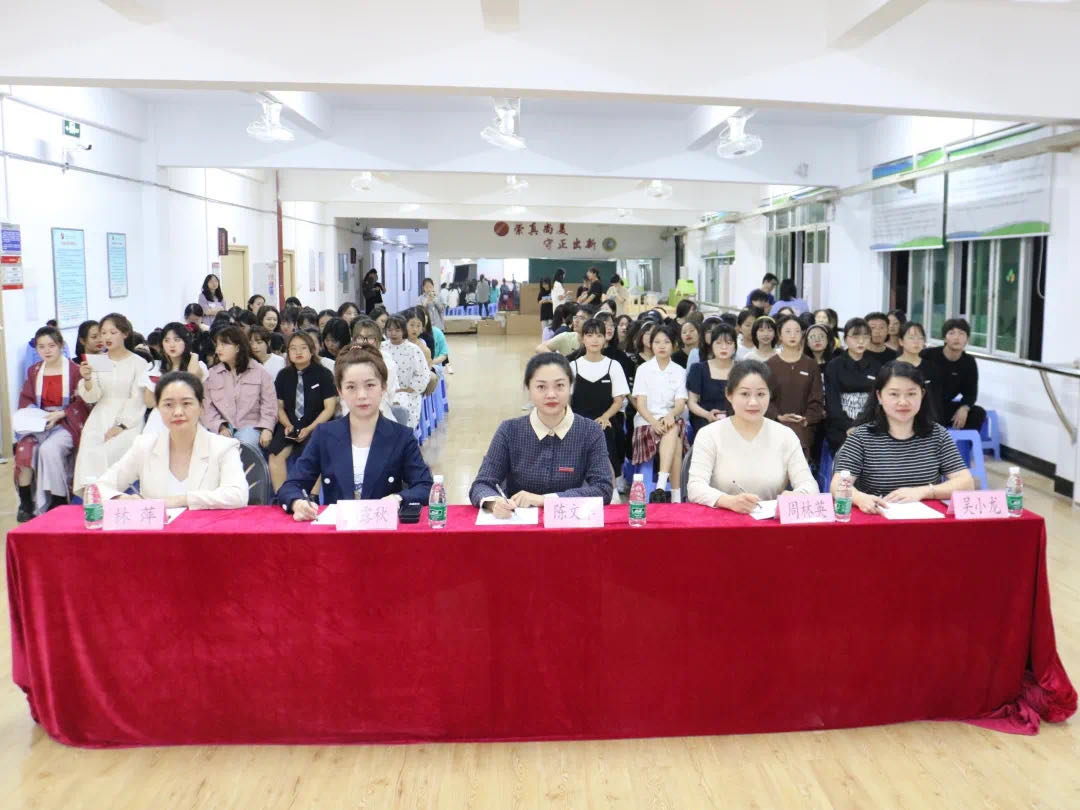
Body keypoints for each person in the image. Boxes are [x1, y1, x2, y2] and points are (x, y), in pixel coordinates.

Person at [279, 347, 433, 518]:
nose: (361, 395)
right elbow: (291, 485)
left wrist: (398, 498)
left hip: (383, 528)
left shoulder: (401, 436)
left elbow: (425, 487)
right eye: (351, 387)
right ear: (340, 391)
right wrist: (297, 502)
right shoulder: (325, 434)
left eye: (370, 385)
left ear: (383, 387)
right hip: (338, 529)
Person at [470, 353, 613, 515]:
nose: (551, 394)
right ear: (528, 389)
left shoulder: (590, 431)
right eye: (541, 387)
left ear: (571, 387)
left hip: (570, 523)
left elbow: (603, 489)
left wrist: (545, 500)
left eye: (559, 385)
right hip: (518, 523)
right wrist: (494, 503)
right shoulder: (509, 430)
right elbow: (482, 484)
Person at [830, 362, 974, 513]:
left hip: (927, 520)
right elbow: (837, 485)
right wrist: (860, 498)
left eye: (911, 394)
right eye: (894, 394)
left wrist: (924, 491)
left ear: (922, 394)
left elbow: (966, 483)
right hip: (878, 517)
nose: (903, 402)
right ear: (879, 396)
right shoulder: (861, 437)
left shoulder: (937, 434)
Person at [95, 372, 248, 509]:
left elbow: (237, 495)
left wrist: (180, 500)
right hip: (157, 531)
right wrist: (121, 499)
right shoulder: (144, 445)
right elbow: (97, 489)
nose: (178, 412)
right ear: (158, 408)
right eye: (168, 405)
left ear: (201, 407)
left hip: (206, 530)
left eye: (186, 403)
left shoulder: (223, 447)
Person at [687, 360, 818, 512]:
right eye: (744, 394)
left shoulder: (785, 435)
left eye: (761, 394)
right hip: (722, 518)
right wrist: (728, 501)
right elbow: (695, 487)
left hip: (770, 522)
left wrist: (799, 495)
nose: (753, 402)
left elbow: (809, 484)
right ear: (729, 395)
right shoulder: (709, 434)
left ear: (770, 395)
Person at [14, 327, 90, 520]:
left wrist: (62, 413)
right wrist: (35, 417)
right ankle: (26, 502)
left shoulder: (75, 371)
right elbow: (26, 398)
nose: (47, 351)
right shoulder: (34, 371)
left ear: (61, 345)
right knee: (24, 450)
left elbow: (82, 402)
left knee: (49, 449)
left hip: (66, 422)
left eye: (51, 345)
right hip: (40, 422)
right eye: (41, 347)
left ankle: (58, 499)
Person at [73, 313, 152, 496]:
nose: (107, 337)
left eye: (112, 332)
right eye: (103, 333)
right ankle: (92, 497)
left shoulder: (138, 363)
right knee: (89, 449)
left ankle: (111, 496)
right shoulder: (98, 361)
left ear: (125, 334)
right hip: (100, 416)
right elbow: (92, 397)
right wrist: (87, 379)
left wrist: (121, 425)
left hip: (129, 420)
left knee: (111, 450)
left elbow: (137, 399)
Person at [267, 332, 339, 491]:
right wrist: (287, 424)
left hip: (316, 425)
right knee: (275, 455)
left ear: (312, 350)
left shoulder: (324, 374)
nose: (298, 352)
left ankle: (312, 497)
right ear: (288, 352)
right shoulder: (283, 375)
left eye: (303, 348)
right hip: (290, 424)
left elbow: (329, 408)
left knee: (316, 454)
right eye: (293, 348)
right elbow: (278, 406)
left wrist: (310, 428)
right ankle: (283, 495)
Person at [631, 323, 689, 503]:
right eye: (657, 342)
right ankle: (675, 494)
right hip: (646, 421)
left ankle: (661, 488)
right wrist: (654, 422)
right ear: (651, 345)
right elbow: (641, 404)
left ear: (674, 345)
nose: (662, 346)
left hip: (670, 419)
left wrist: (671, 415)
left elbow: (680, 404)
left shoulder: (679, 371)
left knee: (673, 430)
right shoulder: (643, 369)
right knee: (675, 435)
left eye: (666, 342)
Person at [569, 319, 630, 481]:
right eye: (589, 335)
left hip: (605, 420)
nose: (594, 340)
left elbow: (618, 401)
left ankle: (613, 487)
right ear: (583, 338)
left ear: (605, 339)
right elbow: (566, 401)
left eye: (599, 335)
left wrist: (605, 417)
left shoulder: (613, 365)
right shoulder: (573, 366)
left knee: (604, 436)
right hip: (577, 421)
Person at [200, 326, 277, 450]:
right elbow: (207, 407)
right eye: (217, 345)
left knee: (244, 444)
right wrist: (220, 427)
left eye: (224, 345)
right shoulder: (212, 374)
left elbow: (269, 405)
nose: (218, 349)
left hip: (252, 427)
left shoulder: (260, 372)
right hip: (222, 428)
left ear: (237, 347)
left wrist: (267, 428)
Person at [766, 315, 825, 460]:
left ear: (802, 334)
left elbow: (817, 399)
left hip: (804, 427)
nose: (793, 335)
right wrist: (778, 417)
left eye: (797, 331)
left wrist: (806, 419)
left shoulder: (811, 365)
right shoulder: (769, 365)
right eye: (788, 331)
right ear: (779, 335)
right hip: (775, 425)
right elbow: (764, 397)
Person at [823, 317, 882, 452]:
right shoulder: (834, 365)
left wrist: (863, 425)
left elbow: (877, 399)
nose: (861, 341)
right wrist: (848, 426)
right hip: (840, 428)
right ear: (845, 339)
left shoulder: (876, 366)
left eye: (865, 337)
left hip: (869, 425)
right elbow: (832, 401)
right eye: (855, 337)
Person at [141, 323, 208, 436]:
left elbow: (192, 382)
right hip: (159, 419)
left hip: (186, 416)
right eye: (167, 340)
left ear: (186, 342)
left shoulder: (198, 365)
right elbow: (149, 402)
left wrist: (194, 356)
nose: (172, 345)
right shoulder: (154, 367)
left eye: (177, 340)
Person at [920, 317, 986, 432]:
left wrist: (964, 408)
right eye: (951, 333)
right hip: (924, 406)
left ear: (967, 339)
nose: (956, 337)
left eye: (961, 333)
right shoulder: (928, 355)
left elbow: (971, 394)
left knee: (978, 413)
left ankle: (961, 443)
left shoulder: (969, 362)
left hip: (945, 407)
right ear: (944, 337)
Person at [381, 315, 432, 429]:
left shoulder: (413, 350)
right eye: (390, 330)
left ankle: (401, 436)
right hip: (384, 391)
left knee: (400, 408)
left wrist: (409, 388)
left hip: (408, 392)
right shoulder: (381, 347)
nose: (393, 333)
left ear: (404, 331)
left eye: (397, 330)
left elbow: (423, 374)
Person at [686, 322, 736, 435]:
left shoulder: (742, 369)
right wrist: (707, 415)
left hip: (736, 419)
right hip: (704, 419)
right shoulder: (698, 369)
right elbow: (692, 402)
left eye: (729, 343)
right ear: (711, 345)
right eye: (718, 343)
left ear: (735, 347)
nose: (724, 347)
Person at [351, 318, 403, 421]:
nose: (365, 342)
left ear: (378, 341)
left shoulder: (386, 361)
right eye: (360, 338)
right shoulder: (348, 360)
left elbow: (390, 392)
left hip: (381, 409)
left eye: (370, 338)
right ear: (354, 340)